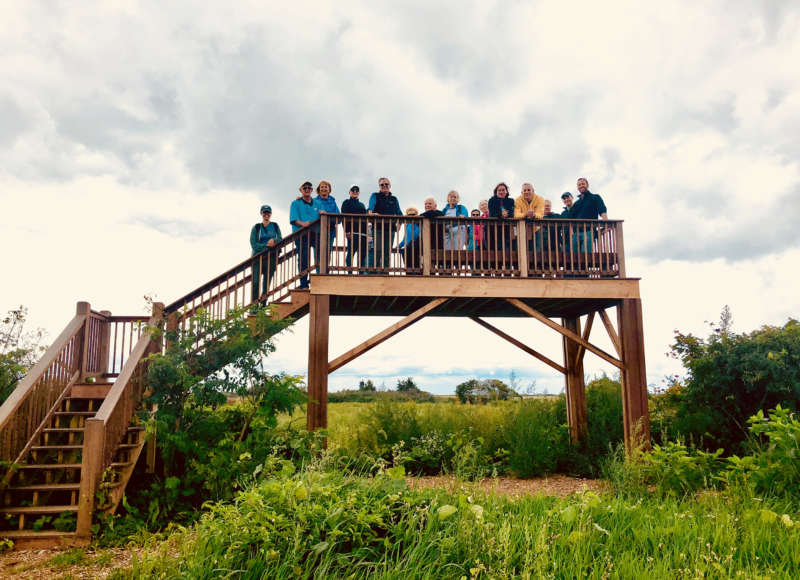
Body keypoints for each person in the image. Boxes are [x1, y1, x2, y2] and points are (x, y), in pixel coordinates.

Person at [289, 181, 321, 289]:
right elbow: (293, 219)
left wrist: (322, 213)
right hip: (301, 234)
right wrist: (303, 224)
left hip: (315, 233)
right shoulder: (295, 203)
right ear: (301, 190)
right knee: (304, 259)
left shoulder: (317, 203)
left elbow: (323, 214)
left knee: (320, 257)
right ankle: (303, 284)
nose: (307, 189)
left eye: (309, 188)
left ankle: (319, 280)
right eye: (304, 188)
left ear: (312, 190)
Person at [250, 204, 282, 305]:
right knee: (255, 283)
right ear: (261, 214)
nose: (266, 214)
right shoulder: (256, 227)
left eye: (268, 212)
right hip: (257, 258)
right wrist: (267, 246)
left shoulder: (275, 226)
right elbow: (253, 243)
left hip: (271, 258)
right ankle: (254, 306)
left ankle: (263, 304)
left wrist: (274, 240)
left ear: (271, 214)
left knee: (266, 283)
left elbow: (280, 239)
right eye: (264, 212)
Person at [367, 177, 402, 270]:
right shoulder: (375, 195)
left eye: (386, 184)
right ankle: (373, 273)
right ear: (379, 186)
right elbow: (370, 208)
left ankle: (385, 274)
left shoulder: (394, 199)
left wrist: (399, 224)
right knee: (377, 251)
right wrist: (371, 213)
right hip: (378, 228)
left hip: (390, 229)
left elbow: (400, 213)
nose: (384, 186)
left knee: (387, 253)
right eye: (382, 184)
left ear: (390, 186)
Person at [570, 177, 607, 252]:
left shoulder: (595, 197)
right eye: (579, 185)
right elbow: (571, 217)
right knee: (574, 257)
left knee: (586, 255)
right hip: (576, 233)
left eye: (583, 184)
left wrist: (606, 225)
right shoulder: (577, 203)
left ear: (587, 185)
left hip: (589, 231)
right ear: (577, 187)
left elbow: (602, 210)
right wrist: (572, 232)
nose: (581, 186)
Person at [341, 185, 368, 270]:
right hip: (353, 233)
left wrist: (368, 234)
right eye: (353, 190)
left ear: (359, 193)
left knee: (362, 254)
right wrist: (347, 231)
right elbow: (343, 217)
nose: (355, 192)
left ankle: (361, 273)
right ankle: (349, 272)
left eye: (357, 190)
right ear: (349, 192)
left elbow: (365, 219)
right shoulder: (346, 202)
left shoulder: (362, 204)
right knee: (351, 253)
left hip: (363, 234)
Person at [315, 180, 340, 267]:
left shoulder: (333, 201)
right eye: (322, 187)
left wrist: (328, 216)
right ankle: (319, 272)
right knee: (318, 253)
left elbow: (339, 218)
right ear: (319, 189)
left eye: (326, 187)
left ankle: (325, 271)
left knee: (327, 253)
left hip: (331, 231)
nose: (324, 189)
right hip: (317, 232)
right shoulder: (314, 201)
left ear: (329, 190)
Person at [487, 182, 515, 250]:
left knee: (506, 249)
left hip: (507, 229)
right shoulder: (492, 200)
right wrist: (501, 214)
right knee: (494, 249)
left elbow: (512, 213)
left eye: (503, 190)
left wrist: (507, 214)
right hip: (493, 229)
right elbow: (492, 213)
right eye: (499, 190)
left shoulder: (511, 201)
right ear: (496, 192)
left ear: (506, 191)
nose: (501, 192)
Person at [397, 207, 421, 271]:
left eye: (413, 215)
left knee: (415, 264)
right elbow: (404, 239)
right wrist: (398, 246)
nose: (411, 217)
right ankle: (409, 272)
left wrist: (414, 224)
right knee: (404, 253)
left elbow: (417, 235)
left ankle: (417, 273)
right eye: (409, 215)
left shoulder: (419, 224)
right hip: (408, 248)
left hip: (416, 247)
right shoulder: (407, 225)